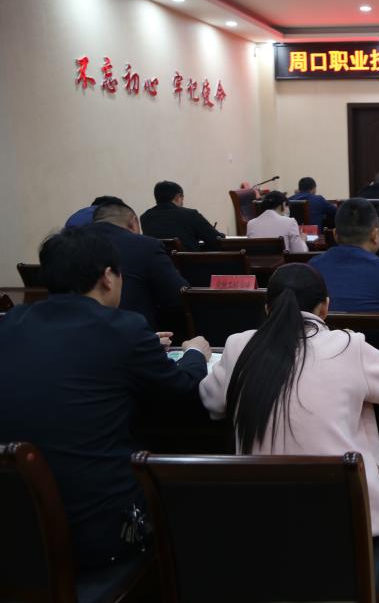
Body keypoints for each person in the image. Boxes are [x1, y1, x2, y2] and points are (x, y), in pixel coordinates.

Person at [199, 263, 379, 585]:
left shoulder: (239, 346)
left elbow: (211, 403)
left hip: (263, 534)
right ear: (325, 307)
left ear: (267, 308)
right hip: (346, 530)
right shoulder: (348, 347)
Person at [0, 227, 211, 571]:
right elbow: (182, 391)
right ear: (108, 277)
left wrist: (143, 348)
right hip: (100, 532)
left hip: (16, 530)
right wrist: (195, 355)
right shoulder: (124, 329)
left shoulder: (11, 323)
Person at [90, 199, 188, 329]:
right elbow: (179, 295)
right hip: (133, 332)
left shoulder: (70, 243)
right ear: (134, 222)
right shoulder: (145, 245)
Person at [140, 180, 223, 251]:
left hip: (158, 264)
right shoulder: (190, 214)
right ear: (177, 196)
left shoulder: (145, 217)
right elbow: (216, 240)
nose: (182, 203)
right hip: (188, 263)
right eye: (182, 198)